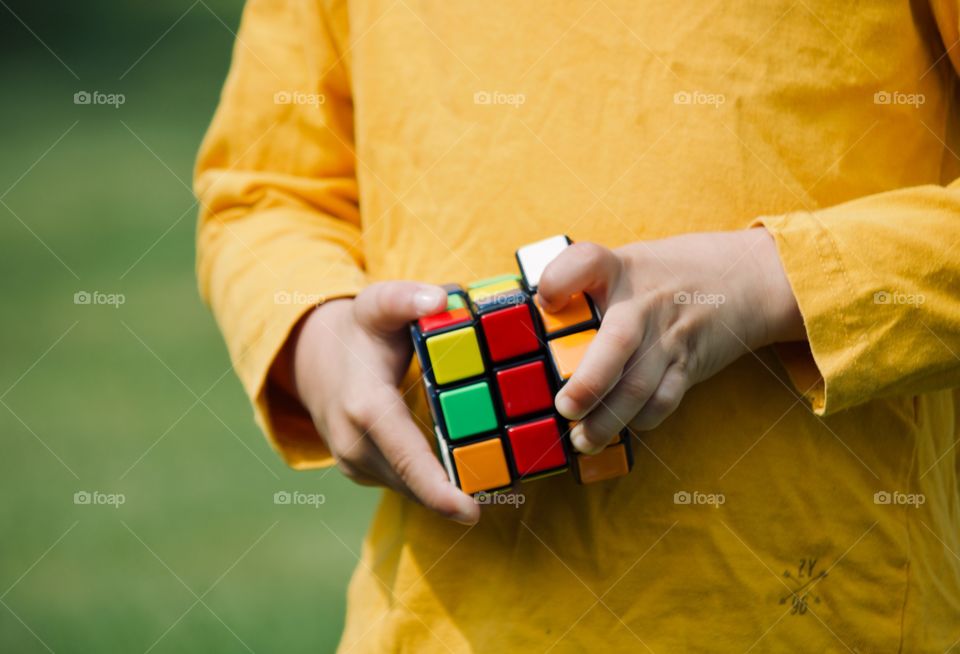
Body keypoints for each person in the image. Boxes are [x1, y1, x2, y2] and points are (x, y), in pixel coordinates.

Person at [195, 0, 960, 650]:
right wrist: (317, 334)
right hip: (444, 623)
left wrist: (768, 280)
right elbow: (269, 190)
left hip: (813, 613)